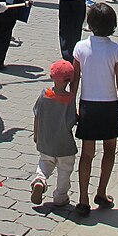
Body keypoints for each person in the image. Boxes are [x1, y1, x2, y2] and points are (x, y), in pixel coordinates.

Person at [70, 3, 118, 216]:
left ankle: (83, 199)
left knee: (87, 153)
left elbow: (74, 80)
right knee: (110, 149)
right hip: (110, 105)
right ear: (113, 25)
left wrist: (71, 104)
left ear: (90, 24)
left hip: (87, 105)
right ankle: (101, 191)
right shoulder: (116, 49)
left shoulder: (80, 47)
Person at [30, 59, 78, 208]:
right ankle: (60, 196)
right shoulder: (69, 98)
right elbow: (70, 122)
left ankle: (40, 180)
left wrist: (36, 134)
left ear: (51, 77)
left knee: (45, 163)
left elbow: (37, 114)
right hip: (64, 146)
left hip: (46, 142)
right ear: (70, 80)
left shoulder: (45, 94)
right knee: (65, 170)